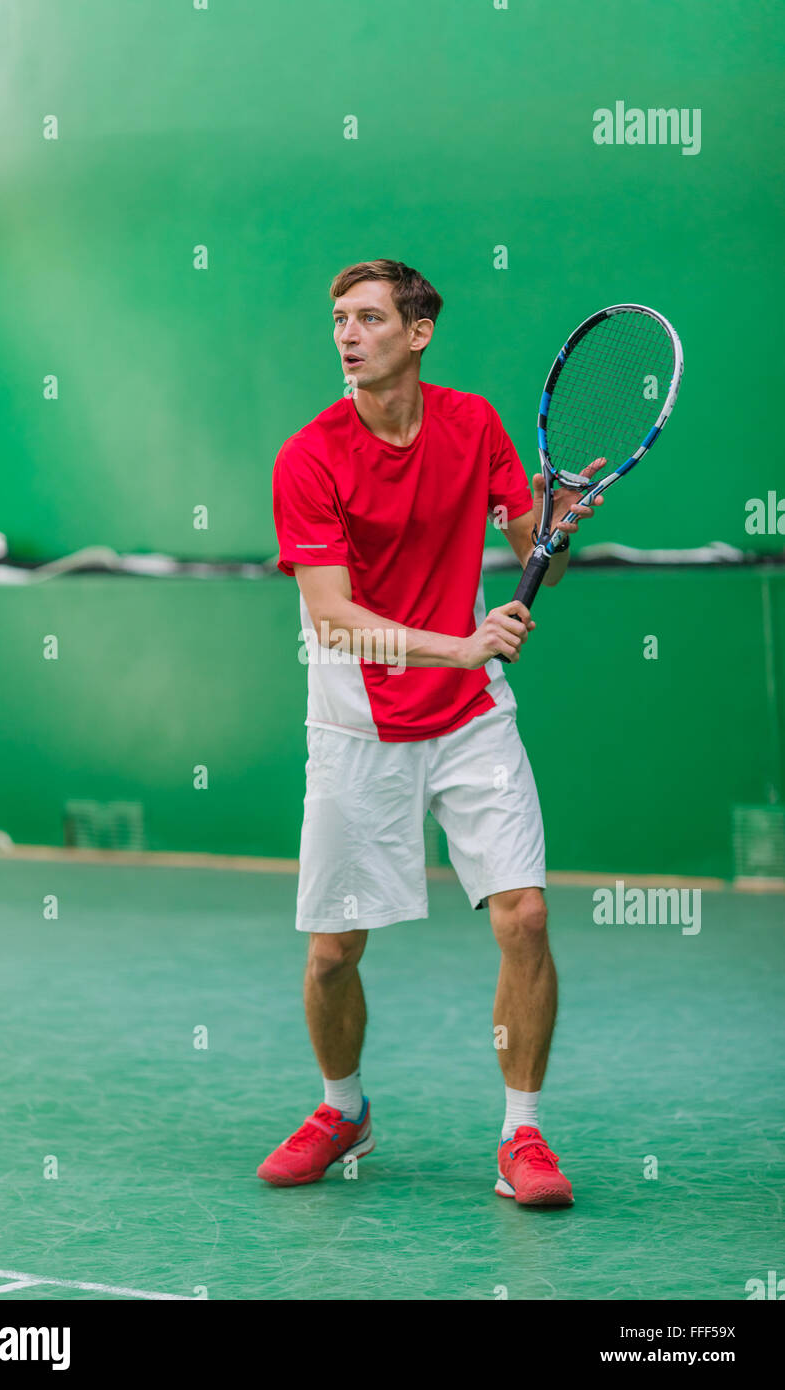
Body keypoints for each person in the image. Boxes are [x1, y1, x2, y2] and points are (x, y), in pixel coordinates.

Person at [262, 260, 603, 1205]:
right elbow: (330, 615)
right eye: (338, 318)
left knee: (525, 916)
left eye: (369, 317)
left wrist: (557, 530)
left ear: (419, 332)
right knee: (335, 950)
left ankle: (523, 1136)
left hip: (470, 722)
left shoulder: (475, 425)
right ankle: (343, 1110)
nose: (347, 334)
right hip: (356, 723)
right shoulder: (310, 457)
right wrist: (460, 646)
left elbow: (546, 555)